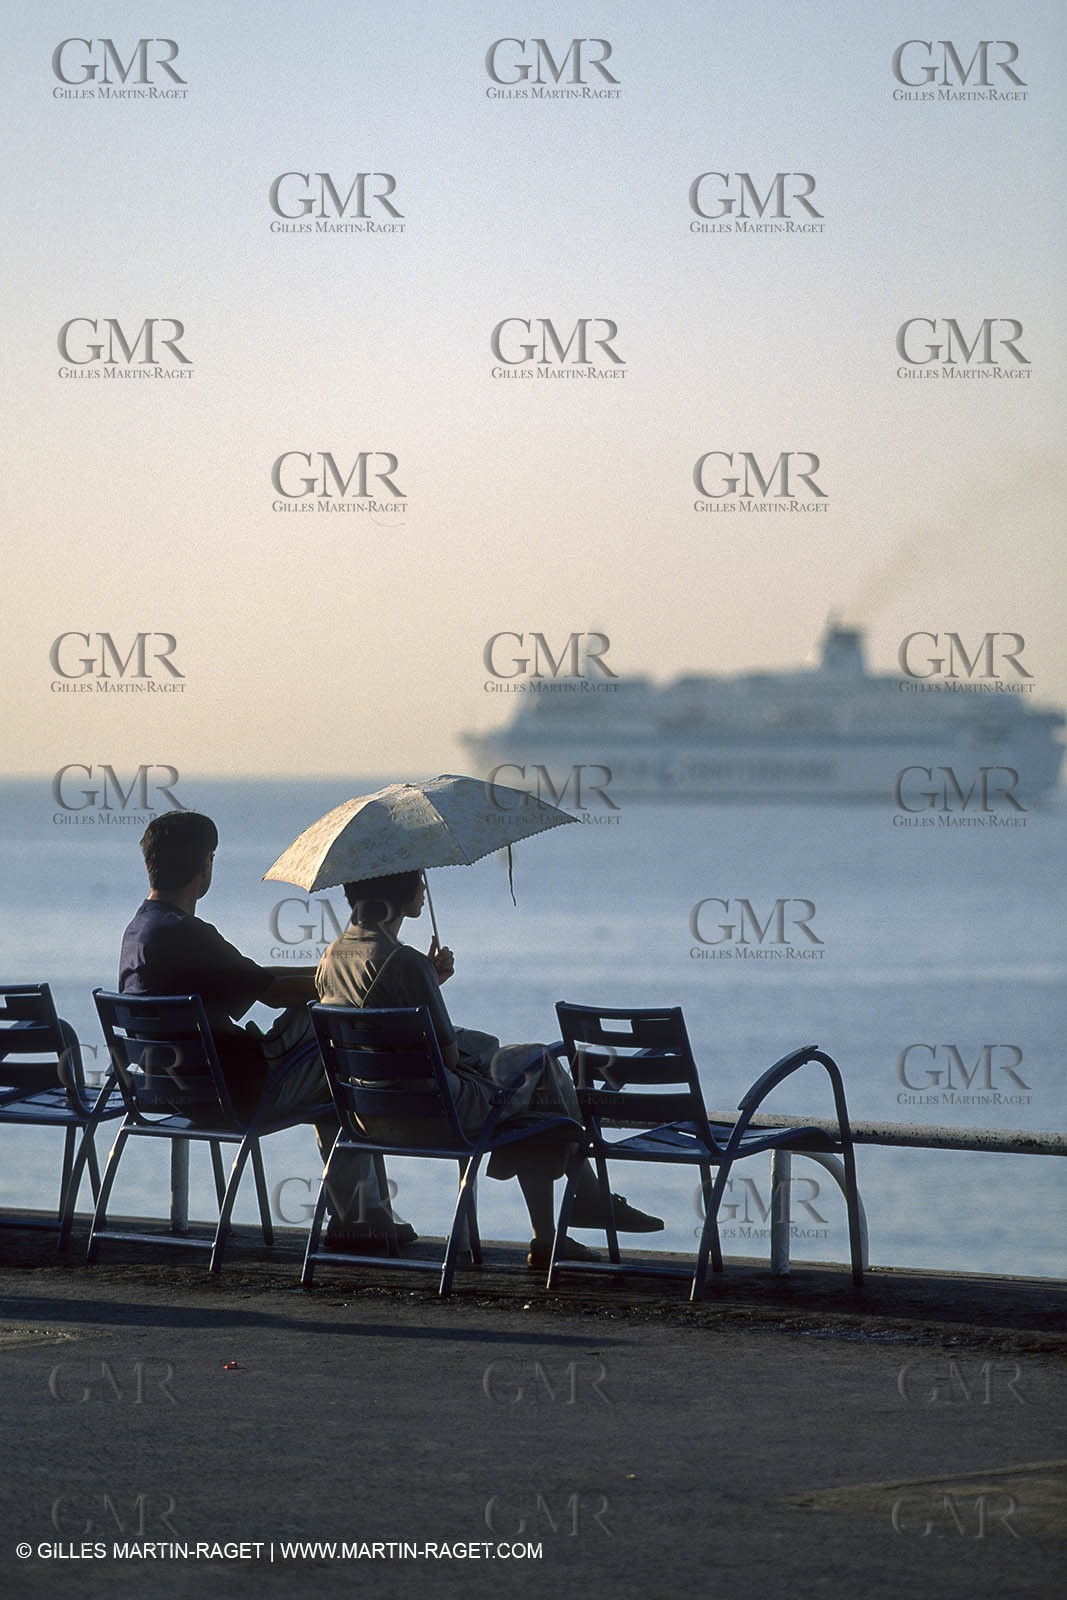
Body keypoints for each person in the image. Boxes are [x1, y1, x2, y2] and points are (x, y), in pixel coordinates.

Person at [315, 869, 663, 1268]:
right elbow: (444, 1059)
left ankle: (552, 1237)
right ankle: (584, 1195)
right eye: (417, 882)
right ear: (398, 893)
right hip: (438, 1118)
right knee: (541, 1061)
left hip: (367, 1119)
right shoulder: (406, 962)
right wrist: (426, 978)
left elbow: (377, 1024)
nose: (424, 889)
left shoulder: (332, 958)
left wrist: (431, 982)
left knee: (531, 1099)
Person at [118, 811, 412, 1250]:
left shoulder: (140, 931)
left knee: (330, 1043)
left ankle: (361, 1217)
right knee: (345, 1064)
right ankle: (361, 1219)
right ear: (206, 864)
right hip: (237, 1093)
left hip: (170, 1090)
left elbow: (256, 978)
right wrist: (373, 976)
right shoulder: (188, 935)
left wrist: (341, 972)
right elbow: (274, 993)